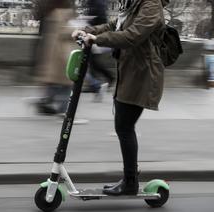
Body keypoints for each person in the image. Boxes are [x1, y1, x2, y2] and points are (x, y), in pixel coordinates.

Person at [72, 0, 168, 195]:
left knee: (124, 127)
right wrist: (87, 30)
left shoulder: (151, 5)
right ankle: (129, 178)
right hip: (129, 72)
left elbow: (132, 36)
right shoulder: (134, 4)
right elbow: (113, 25)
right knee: (123, 126)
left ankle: (130, 181)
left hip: (142, 75)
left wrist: (96, 39)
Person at [34, 0, 77, 115]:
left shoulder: (52, 14)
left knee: (56, 84)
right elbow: (67, 33)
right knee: (66, 85)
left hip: (54, 57)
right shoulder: (63, 15)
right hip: (63, 57)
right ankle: (63, 110)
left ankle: (46, 102)